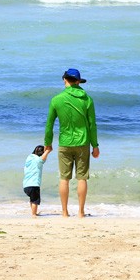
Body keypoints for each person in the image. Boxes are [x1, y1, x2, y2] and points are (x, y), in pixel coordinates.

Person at [44, 68, 99, 218]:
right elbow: (92, 125)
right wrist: (95, 145)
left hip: (65, 142)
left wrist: (47, 143)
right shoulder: (87, 99)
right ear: (78, 81)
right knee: (82, 178)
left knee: (64, 178)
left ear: (65, 80)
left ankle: (64, 212)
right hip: (83, 143)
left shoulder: (56, 99)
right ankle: (81, 212)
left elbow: (49, 125)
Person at [23, 145, 51, 217]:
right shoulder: (38, 160)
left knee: (32, 199)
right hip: (34, 184)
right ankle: (33, 214)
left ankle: (33, 212)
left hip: (26, 185)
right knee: (35, 200)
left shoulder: (29, 158)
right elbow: (42, 160)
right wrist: (47, 151)